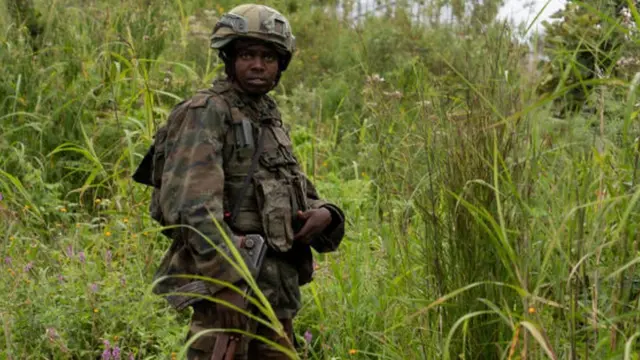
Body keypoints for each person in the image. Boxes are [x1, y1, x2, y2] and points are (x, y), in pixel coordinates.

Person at [132, 4, 345, 359]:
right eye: (247, 54)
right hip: (229, 296)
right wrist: (226, 282)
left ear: (281, 65)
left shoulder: (267, 118)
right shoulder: (206, 111)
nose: (258, 65)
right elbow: (193, 208)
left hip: (275, 295)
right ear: (229, 59)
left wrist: (326, 214)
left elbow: (295, 191)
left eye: (268, 56)